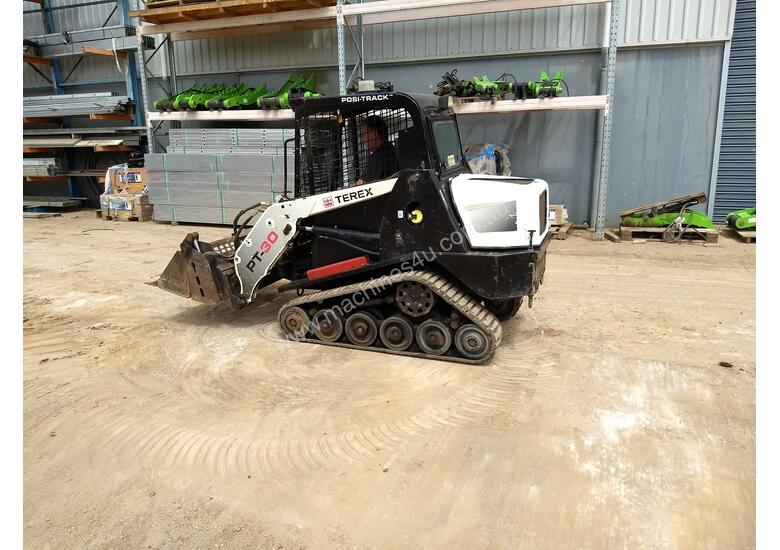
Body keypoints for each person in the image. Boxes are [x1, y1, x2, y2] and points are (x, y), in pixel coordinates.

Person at [351, 115, 398, 187]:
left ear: (374, 134)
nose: (362, 140)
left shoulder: (379, 156)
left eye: (364, 135)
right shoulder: (390, 149)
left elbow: (362, 185)